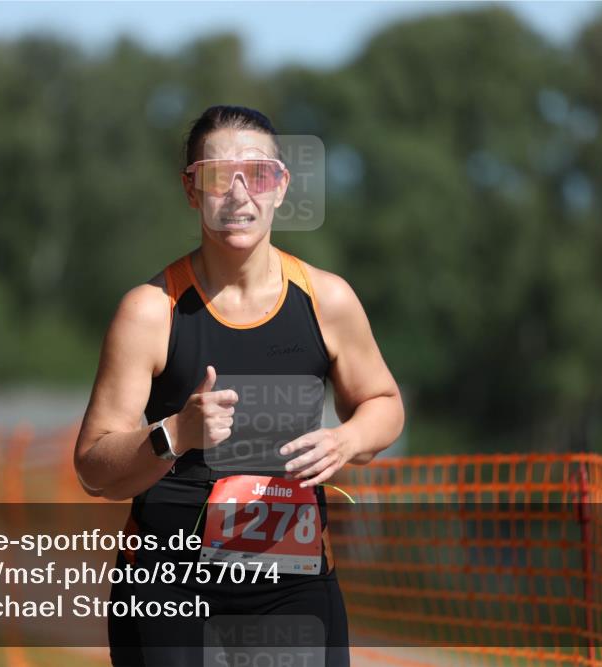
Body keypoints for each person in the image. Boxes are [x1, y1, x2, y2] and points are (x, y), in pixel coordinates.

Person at [75, 105, 404, 666]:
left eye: (257, 174)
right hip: (168, 586)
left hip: (292, 586)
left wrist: (346, 440)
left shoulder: (327, 300)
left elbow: (384, 404)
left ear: (280, 187)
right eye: (215, 176)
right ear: (190, 189)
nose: (238, 193)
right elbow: (92, 466)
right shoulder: (150, 312)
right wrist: (175, 432)